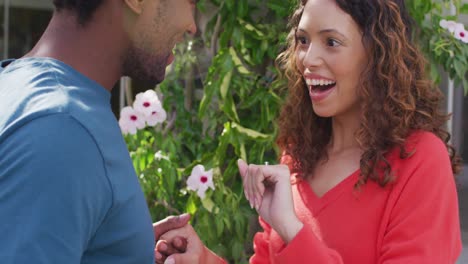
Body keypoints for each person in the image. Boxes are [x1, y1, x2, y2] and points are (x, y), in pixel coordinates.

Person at [155, 0, 463, 263]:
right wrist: (203, 259)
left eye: (331, 42)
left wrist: (293, 230)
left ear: (377, 53)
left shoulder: (420, 160)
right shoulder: (298, 157)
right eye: (303, 40)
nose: (308, 60)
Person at [0, 0, 197, 263]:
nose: (192, 26)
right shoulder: (63, 133)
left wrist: (119, 244)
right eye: (191, 2)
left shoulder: (17, 85)